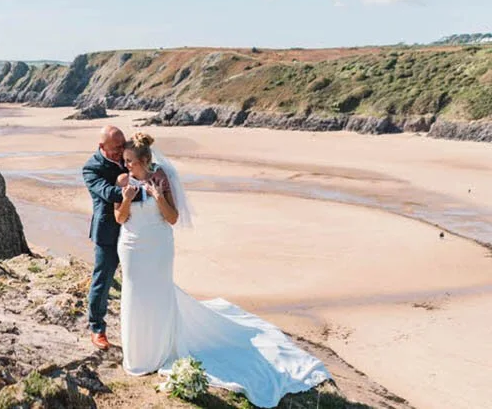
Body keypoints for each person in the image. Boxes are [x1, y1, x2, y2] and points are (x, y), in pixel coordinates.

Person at [114, 132, 330, 408]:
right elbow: (119, 218)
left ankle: (159, 349)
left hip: (158, 246)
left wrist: (158, 197)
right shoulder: (122, 181)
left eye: (130, 161)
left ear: (145, 160)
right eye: (125, 161)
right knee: (133, 295)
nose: (126, 166)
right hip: (132, 246)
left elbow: (172, 219)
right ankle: (137, 354)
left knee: (158, 294)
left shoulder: (161, 179)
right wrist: (128, 199)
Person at [82, 124, 169, 350]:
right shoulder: (91, 168)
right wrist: (148, 190)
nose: (121, 152)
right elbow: (108, 193)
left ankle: (147, 329)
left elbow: (146, 164)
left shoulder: (128, 153)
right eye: (116, 148)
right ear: (102, 146)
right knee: (103, 279)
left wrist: (155, 181)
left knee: (142, 281)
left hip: (141, 230)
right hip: (109, 231)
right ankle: (97, 328)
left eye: (123, 146)